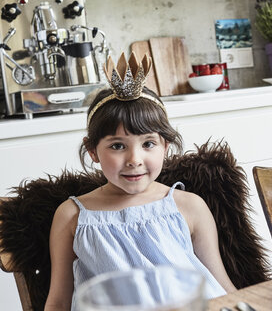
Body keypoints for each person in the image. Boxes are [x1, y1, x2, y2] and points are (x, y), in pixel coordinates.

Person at [44, 53, 236, 311]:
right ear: (92, 151)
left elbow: (221, 286)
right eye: (117, 145)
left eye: (148, 144)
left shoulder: (189, 206)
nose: (135, 159)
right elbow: (58, 301)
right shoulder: (72, 216)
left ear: (165, 147)